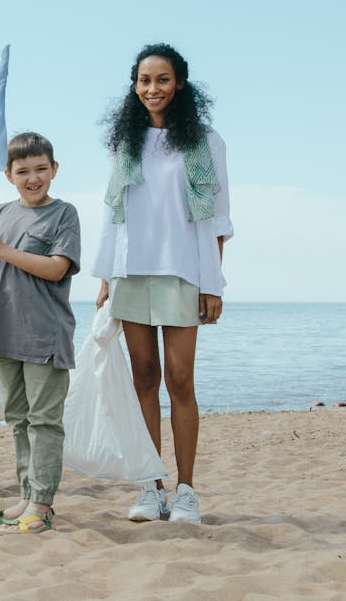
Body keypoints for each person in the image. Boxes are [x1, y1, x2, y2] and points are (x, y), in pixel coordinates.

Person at [94, 43, 233, 524]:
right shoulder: (125, 143)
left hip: (183, 271)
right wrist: (107, 278)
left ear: (179, 85)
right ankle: (150, 488)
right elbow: (113, 215)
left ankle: (187, 490)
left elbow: (218, 219)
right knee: (143, 380)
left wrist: (212, 284)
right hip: (132, 272)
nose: (153, 89)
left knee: (179, 381)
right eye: (144, 80)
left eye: (163, 80)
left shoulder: (205, 141)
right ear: (134, 86)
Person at [0, 132, 81, 534]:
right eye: (23, 171)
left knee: (44, 420)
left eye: (40, 169)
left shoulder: (63, 213)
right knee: (18, 418)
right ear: (8, 174)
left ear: (54, 169)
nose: (32, 178)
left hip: (44, 332)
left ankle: (43, 502)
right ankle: (26, 494)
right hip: (2, 329)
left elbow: (55, 268)